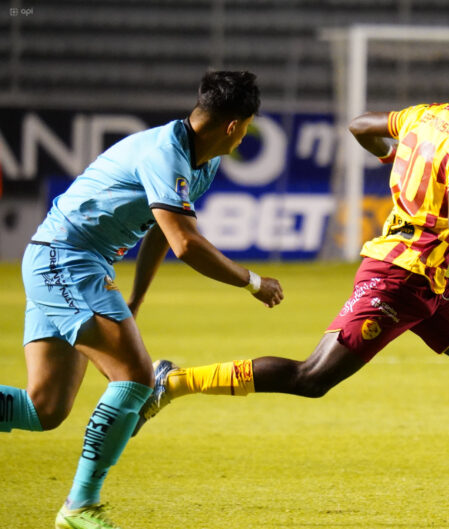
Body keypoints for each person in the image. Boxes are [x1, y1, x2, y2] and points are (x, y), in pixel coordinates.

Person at [138, 55, 449, 512]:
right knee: (312, 379)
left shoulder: (424, 115)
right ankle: (173, 382)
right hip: (398, 279)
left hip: (430, 281)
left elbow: (359, 125)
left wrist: (392, 158)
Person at [0, 70, 284, 529]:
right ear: (235, 125)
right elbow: (187, 246)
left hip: (64, 261)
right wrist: (253, 282)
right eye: (248, 124)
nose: (246, 133)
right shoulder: (164, 153)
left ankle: (80, 506)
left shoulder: (201, 160)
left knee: (43, 409)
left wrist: (137, 297)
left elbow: (162, 229)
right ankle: (80, 507)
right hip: (66, 259)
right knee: (134, 379)